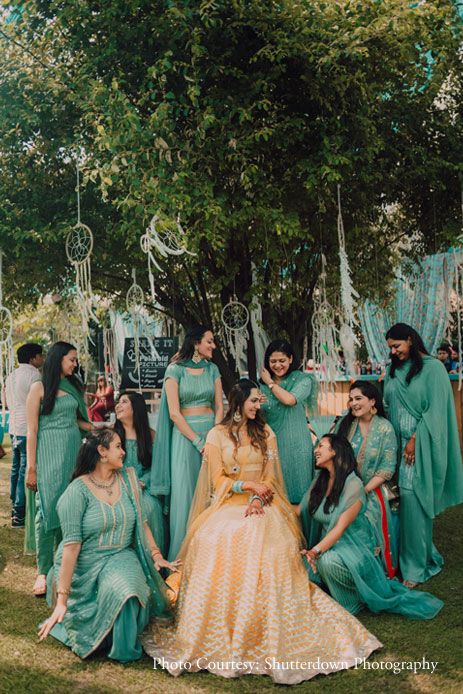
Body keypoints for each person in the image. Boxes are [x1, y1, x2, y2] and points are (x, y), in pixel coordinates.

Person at [142, 380, 382, 685]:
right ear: (239, 400)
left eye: (259, 401)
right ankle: (220, 626)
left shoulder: (266, 433)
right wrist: (245, 486)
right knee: (213, 538)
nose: (259, 406)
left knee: (262, 540)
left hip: (264, 503)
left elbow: (270, 475)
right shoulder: (216, 435)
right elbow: (216, 479)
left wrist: (258, 496)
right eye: (254, 401)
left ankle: (266, 625)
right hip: (229, 502)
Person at [38, 429, 178, 661]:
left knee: (127, 589)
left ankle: (121, 646)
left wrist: (156, 555)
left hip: (121, 555)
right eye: (118, 447)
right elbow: (71, 546)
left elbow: (142, 523)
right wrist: (62, 600)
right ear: (102, 452)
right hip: (85, 563)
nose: (123, 452)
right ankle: (98, 631)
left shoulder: (127, 481)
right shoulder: (77, 491)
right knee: (106, 601)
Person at [299, 434, 443, 619]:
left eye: (321, 446)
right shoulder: (321, 480)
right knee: (298, 563)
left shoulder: (353, 485)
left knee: (327, 562)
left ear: (335, 451)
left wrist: (314, 552)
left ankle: (351, 601)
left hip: (355, 550)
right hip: (329, 546)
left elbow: (340, 528)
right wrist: (268, 505)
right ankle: (341, 589)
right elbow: (301, 509)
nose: (316, 450)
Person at [384, 323, 463, 587]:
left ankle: (416, 569)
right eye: (391, 348)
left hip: (418, 448)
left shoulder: (433, 369)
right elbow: (386, 404)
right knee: (396, 505)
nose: (394, 352)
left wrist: (415, 440)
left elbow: (437, 411)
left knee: (413, 501)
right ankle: (405, 558)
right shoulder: (393, 369)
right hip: (393, 446)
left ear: (410, 339)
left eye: (397, 346)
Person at [150, 326, 223, 561]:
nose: (213, 346)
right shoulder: (175, 370)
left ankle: (209, 556)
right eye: (209, 341)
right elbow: (174, 413)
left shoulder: (213, 369)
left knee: (211, 493)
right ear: (196, 343)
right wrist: (198, 441)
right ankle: (182, 558)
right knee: (186, 494)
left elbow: (220, 406)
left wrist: (214, 436)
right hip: (184, 438)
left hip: (211, 433)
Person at [25, 341, 92, 596]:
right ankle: (42, 571)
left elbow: (78, 420)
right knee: (47, 510)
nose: (75, 364)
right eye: (71, 359)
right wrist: (32, 468)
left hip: (73, 453)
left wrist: (97, 427)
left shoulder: (74, 386)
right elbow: (31, 430)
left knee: (71, 506)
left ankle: (66, 562)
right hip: (48, 454)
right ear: (58, 359)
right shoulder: (39, 387)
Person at [337, 381, 398, 577]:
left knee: (370, 532)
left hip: (371, 491)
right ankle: (347, 572)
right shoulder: (345, 425)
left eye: (358, 398)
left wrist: (362, 491)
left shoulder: (385, 428)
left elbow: (387, 468)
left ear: (372, 401)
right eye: (351, 399)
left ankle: (373, 574)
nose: (353, 403)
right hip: (344, 490)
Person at [260, 339, 317, 504]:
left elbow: (289, 400)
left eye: (282, 361)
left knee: (301, 492)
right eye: (273, 361)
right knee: (277, 494)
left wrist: (270, 383)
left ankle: (302, 529)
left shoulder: (302, 380)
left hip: (297, 445)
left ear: (291, 359)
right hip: (272, 444)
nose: (277, 365)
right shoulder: (260, 386)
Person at [114, 391, 165, 555]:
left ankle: (153, 560)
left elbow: (155, 467)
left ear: (135, 408)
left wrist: (142, 482)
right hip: (116, 487)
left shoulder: (150, 436)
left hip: (142, 486)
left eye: (123, 402)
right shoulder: (112, 437)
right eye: (118, 402)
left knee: (150, 507)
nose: (118, 406)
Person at [4, 343, 44, 528]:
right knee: (23, 472)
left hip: (13, 426)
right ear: (32, 358)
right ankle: (19, 514)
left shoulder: (10, 376)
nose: (42, 359)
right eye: (40, 356)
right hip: (27, 427)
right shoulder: (34, 375)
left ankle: (15, 507)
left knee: (15, 469)